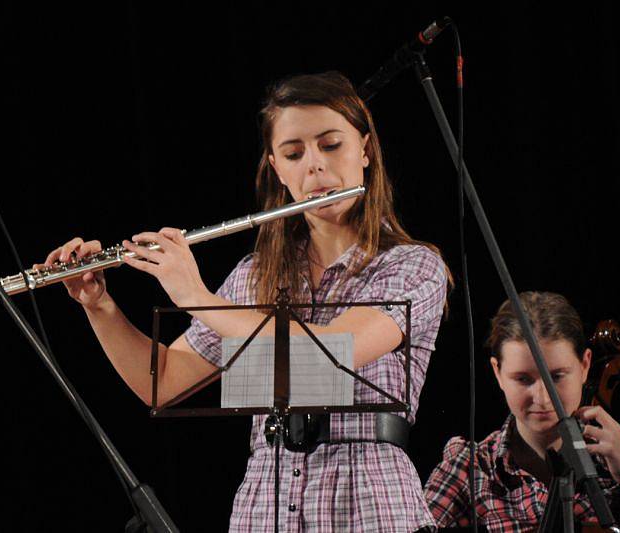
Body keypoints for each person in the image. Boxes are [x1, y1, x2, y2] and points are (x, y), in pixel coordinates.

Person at [41, 72, 449, 532]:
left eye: (331, 145)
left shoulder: (412, 266)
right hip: (265, 509)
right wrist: (99, 305)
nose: (314, 167)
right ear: (277, 168)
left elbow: (329, 356)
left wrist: (196, 297)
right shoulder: (255, 276)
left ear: (366, 150)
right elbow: (163, 382)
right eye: (294, 153)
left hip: (370, 505)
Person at [423, 291, 620, 532]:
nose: (542, 397)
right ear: (498, 373)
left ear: (585, 365)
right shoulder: (470, 469)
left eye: (557, 376)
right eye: (523, 379)